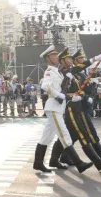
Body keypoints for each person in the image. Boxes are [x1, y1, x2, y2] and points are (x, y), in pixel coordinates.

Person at [32, 45, 92, 174]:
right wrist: (58, 94)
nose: (56, 57)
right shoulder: (49, 71)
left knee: (47, 137)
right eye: (53, 56)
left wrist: (67, 80)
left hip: (58, 108)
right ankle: (79, 163)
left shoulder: (57, 71)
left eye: (56, 55)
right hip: (53, 107)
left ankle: (38, 163)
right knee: (64, 134)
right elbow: (45, 85)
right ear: (48, 59)